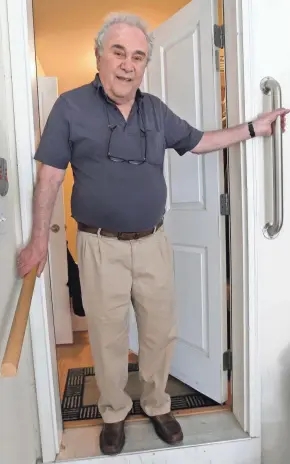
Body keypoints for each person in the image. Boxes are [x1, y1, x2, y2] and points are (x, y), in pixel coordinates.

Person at [17, 12, 289, 456]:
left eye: (138, 56)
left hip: (153, 242)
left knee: (159, 332)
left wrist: (254, 128)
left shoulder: (155, 110)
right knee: (106, 336)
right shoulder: (69, 107)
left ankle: (157, 403)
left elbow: (199, 141)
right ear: (100, 55)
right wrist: (37, 241)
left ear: (145, 64)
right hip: (99, 244)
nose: (128, 64)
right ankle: (112, 413)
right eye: (119, 52)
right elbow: (48, 177)